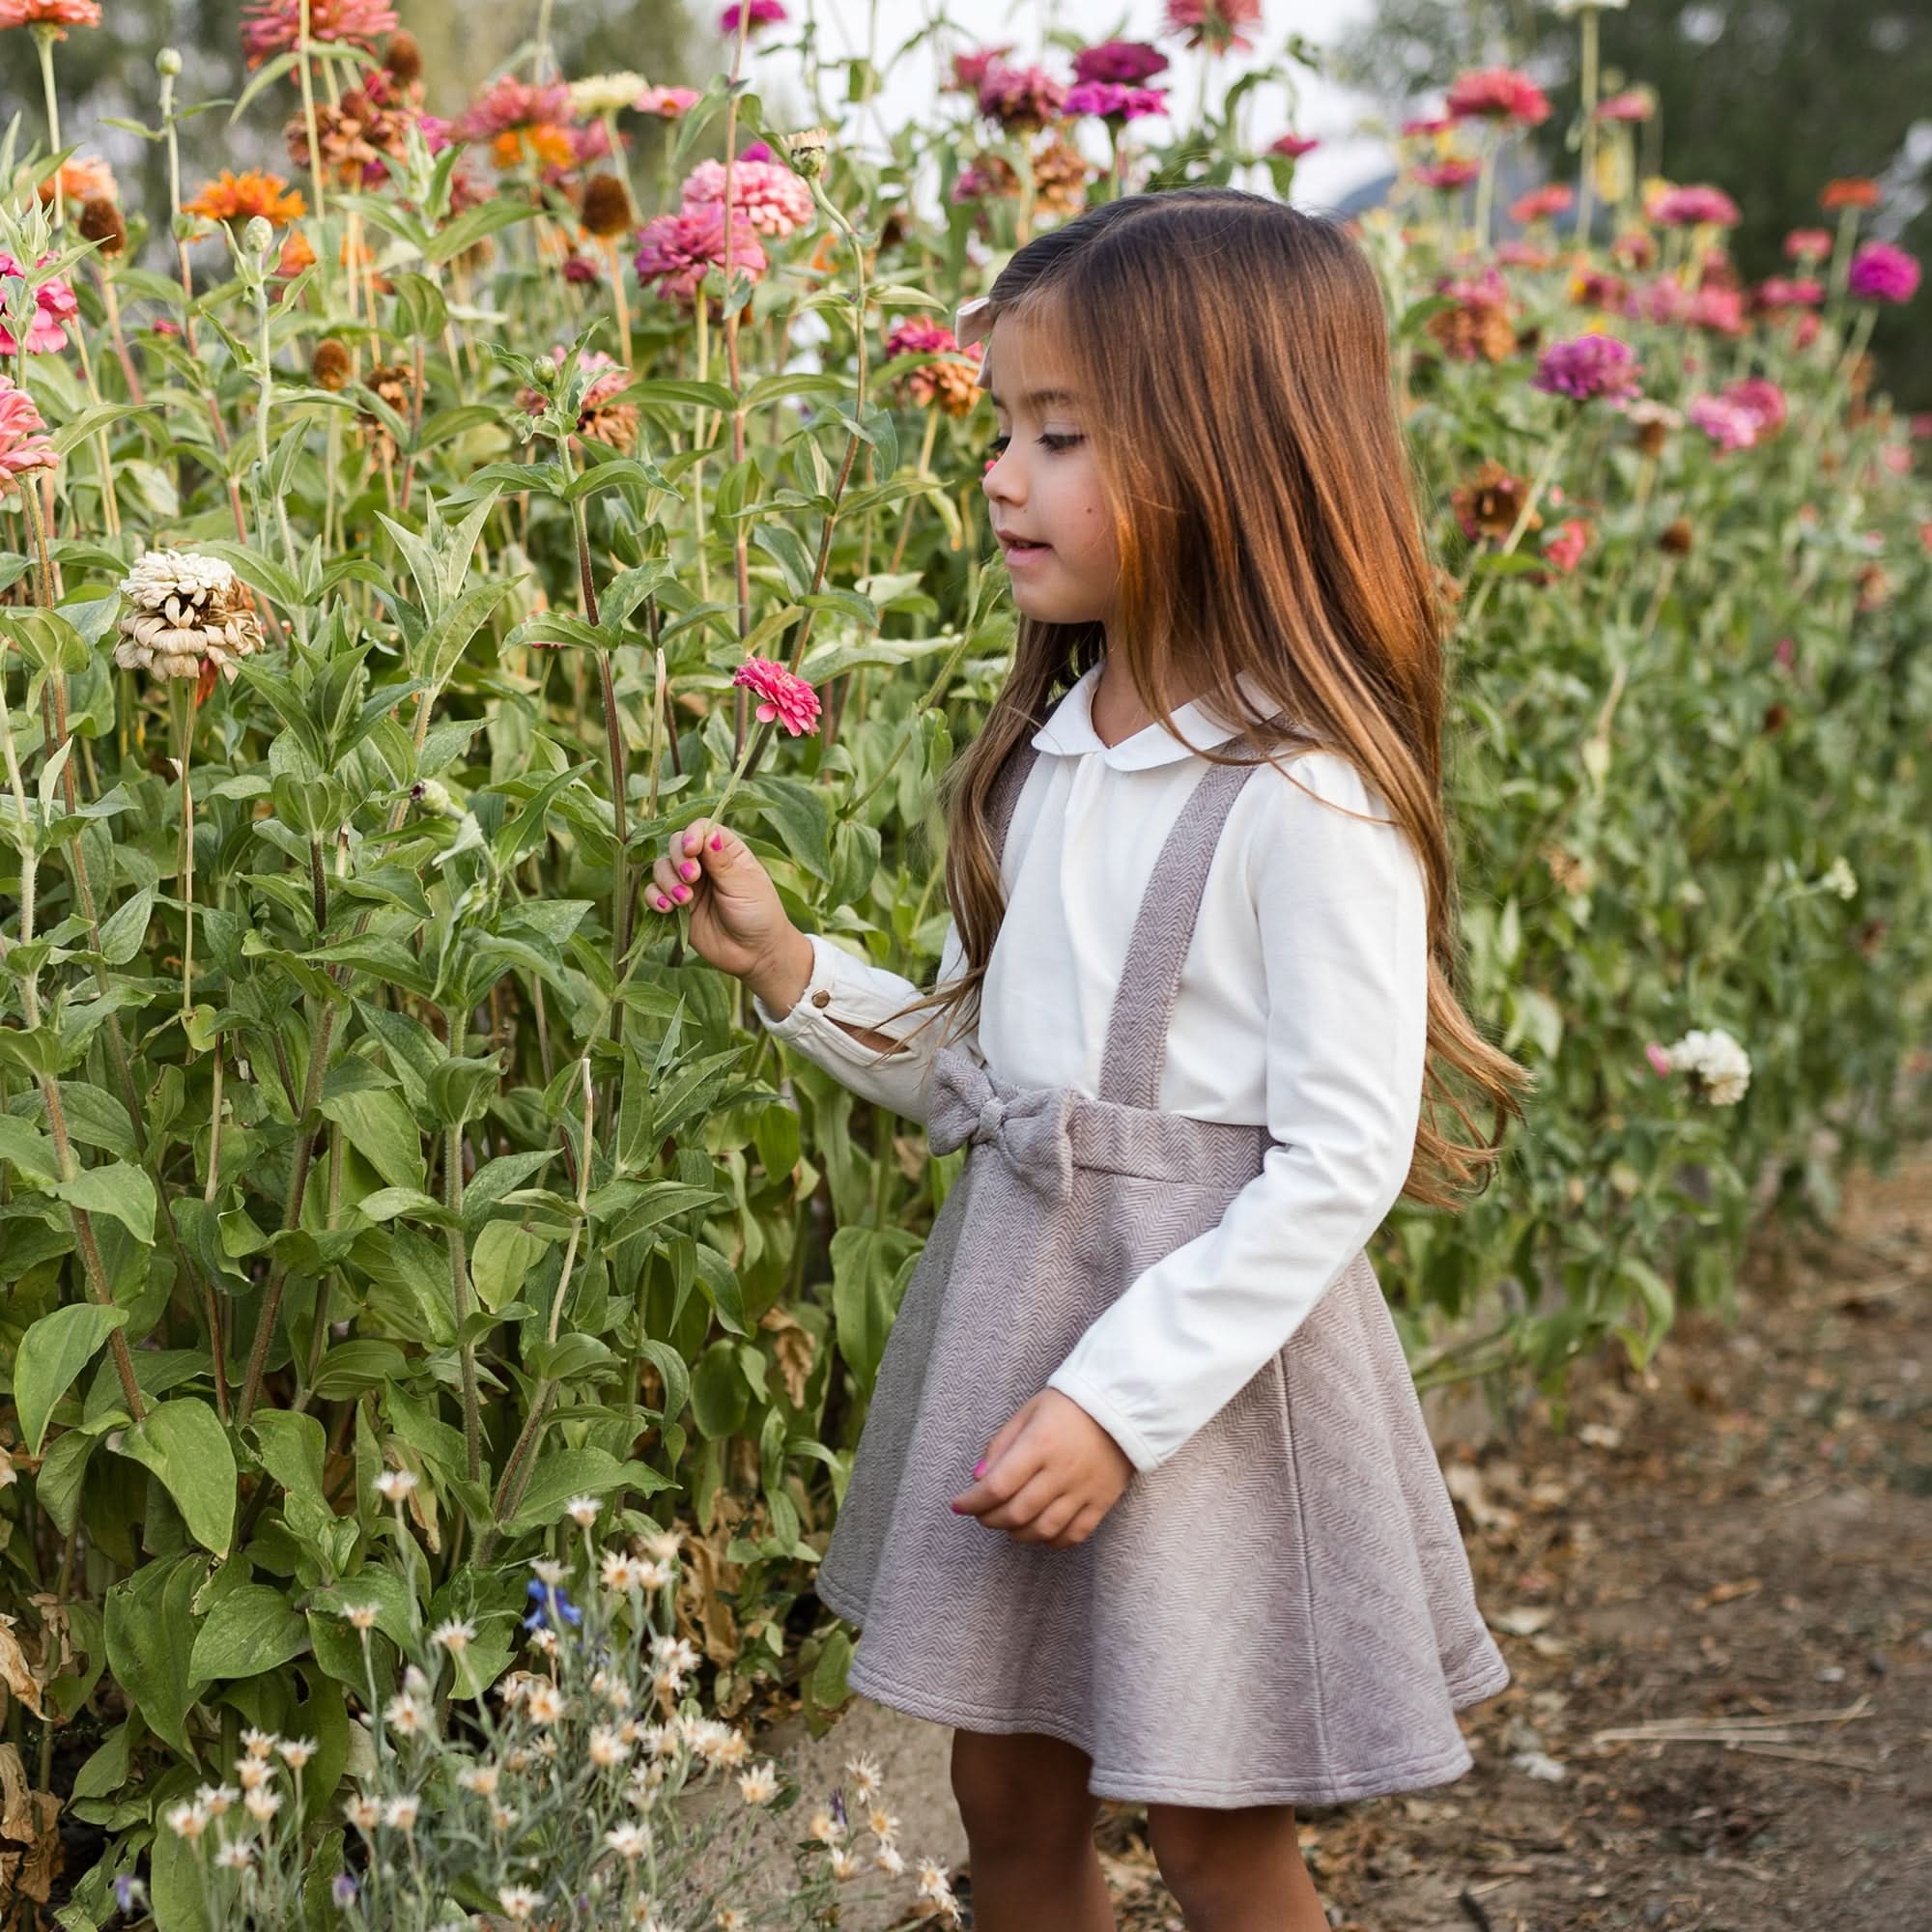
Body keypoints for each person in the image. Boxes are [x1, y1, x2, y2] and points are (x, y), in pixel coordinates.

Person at [645, 186, 1530, 1932]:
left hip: (1202, 1374)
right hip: (1017, 1321)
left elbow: (1340, 1162)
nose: (1000, 475)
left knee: (1213, 1823)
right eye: (1001, 431)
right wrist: (793, 969)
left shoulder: (1308, 797)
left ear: (1233, 456)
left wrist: (1117, 1408)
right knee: (1005, 1785)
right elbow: (989, 1070)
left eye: (1060, 435)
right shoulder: (1057, 753)